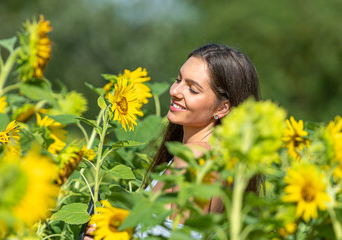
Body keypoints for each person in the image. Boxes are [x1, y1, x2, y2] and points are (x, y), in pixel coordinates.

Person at [82, 43, 261, 239]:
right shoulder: (219, 158)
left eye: (193, 89)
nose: (175, 90)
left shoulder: (193, 157)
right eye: (178, 79)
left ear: (222, 108)